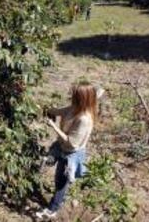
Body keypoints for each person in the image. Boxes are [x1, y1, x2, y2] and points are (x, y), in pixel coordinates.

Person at [36, 82, 104, 219]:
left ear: (82, 98)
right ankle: (49, 161)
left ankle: (52, 209)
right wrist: (43, 107)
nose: (72, 97)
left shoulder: (84, 119)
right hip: (61, 147)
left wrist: (54, 126)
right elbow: (58, 111)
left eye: (76, 95)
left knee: (61, 183)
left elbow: (72, 143)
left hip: (71, 154)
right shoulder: (74, 108)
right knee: (57, 178)